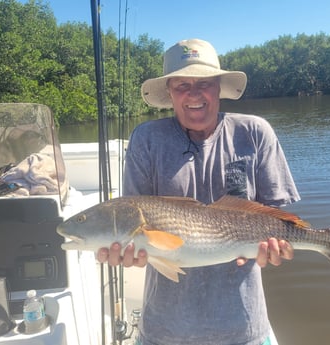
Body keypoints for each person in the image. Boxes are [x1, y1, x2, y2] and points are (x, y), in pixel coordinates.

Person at [97, 38, 300, 345]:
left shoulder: (255, 133)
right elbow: (132, 219)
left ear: (219, 87)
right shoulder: (146, 140)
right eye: (182, 85)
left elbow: (276, 217)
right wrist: (130, 254)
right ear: (169, 93)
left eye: (204, 83)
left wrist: (278, 247)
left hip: (244, 328)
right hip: (165, 331)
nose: (194, 94)